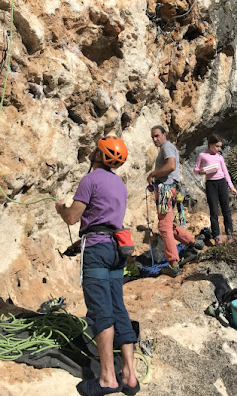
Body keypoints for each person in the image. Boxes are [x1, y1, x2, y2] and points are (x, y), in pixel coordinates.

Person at [55, 135, 139, 396]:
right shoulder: (119, 184)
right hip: (118, 248)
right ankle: (130, 376)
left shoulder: (90, 180)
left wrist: (60, 208)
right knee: (118, 308)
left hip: (97, 249)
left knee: (101, 311)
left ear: (100, 156)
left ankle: (107, 379)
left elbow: (72, 217)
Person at [147, 125, 202, 278]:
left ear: (165, 135)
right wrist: (156, 179)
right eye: (153, 137)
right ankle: (192, 241)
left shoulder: (167, 147)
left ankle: (173, 264)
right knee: (168, 224)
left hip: (165, 190)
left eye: (157, 135)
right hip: (168, 188)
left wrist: (153, 174)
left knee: (164, 227)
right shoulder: (168, 147)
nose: (155, 139)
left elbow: (170, 166)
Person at [193, 134, 237, 244]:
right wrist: (201, 171)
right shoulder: (202, 155)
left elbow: (225, 172)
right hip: (210, 184)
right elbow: (196, 169)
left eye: (220, 147)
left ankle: (229, 234)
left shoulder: (219, 157)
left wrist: (231, 186)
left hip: (221, 182)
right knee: (213, 210)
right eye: (217, 146)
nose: (219, 149)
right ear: (210, 144)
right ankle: (217, 236)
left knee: (226, 209)